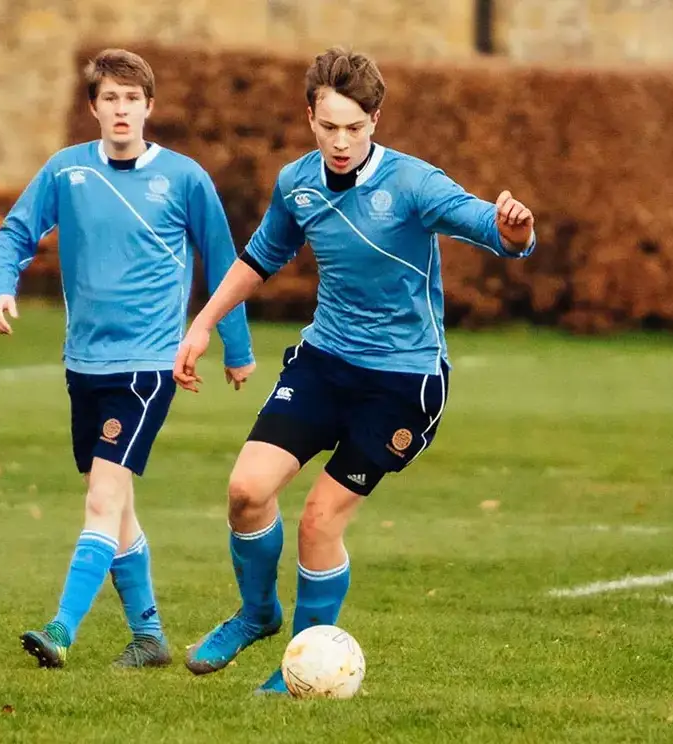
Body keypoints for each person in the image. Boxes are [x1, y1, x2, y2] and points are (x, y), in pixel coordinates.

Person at [170, 46, 538, 694]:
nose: (341, 142)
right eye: (329, 126)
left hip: (402, 382)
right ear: (309, 116)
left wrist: (513, 229)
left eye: (355, 128)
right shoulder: (297, 183)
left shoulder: (415, 184)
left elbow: (489, 227)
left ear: (376, 120)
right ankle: (257, 613)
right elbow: (260, 256)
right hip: (325, 361)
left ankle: (298, 668)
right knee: (246, 492)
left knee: (318, 520)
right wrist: (203, 325)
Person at [0, 48, 257, 670]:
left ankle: (61, 629)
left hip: (146, 366)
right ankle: (150, 638)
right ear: (93, 108)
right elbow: (14, 233)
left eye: (132, 99)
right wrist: (2, 285)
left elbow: (225, 264)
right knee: (118, 504)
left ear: (149, 107)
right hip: (84, 363)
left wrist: (235, 349)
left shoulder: (185, 178)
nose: (121, 110)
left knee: (103, 500)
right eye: (110, 98)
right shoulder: (67, 171)